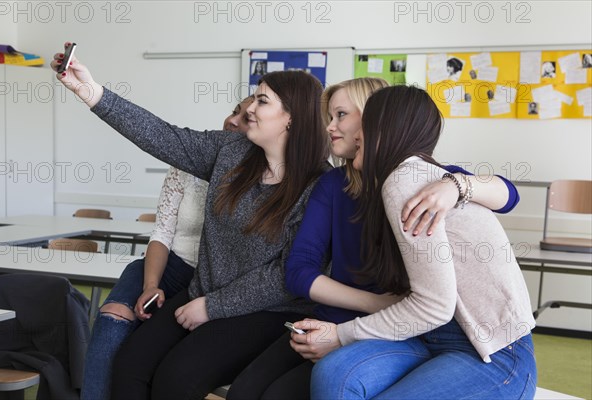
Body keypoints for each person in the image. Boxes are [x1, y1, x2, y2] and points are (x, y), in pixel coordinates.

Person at [51, 43, 330, 399]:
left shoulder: (317, 184)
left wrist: (212, 308)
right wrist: (89, 91)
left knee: (174, 380)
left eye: (262, 101)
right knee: (130, 365)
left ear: (291, 117)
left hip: (268, 310)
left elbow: (285, 276)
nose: (249, 111)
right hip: (205, 294)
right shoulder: (232, 152)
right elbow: (160, 135)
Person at [227, 78, 521, 400]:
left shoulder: (419, 180)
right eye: (330, 117)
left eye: (342, 115)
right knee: (249, 391)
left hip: (422, 331)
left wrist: (459, 186)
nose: (330, 127)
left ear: (374, 122)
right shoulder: (337, 185)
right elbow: (299, 271)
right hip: (392, 324)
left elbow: (509, 195)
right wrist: (377, 308)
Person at [79, 97, 252, 400]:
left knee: (153, 353)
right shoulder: (189, 161)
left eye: (247, 118)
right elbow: (162, 233)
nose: (233, 120)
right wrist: (150, 284)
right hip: (169, 266)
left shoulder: (262, 177)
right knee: (112, 316)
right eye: (235, 111)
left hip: (213, 280)